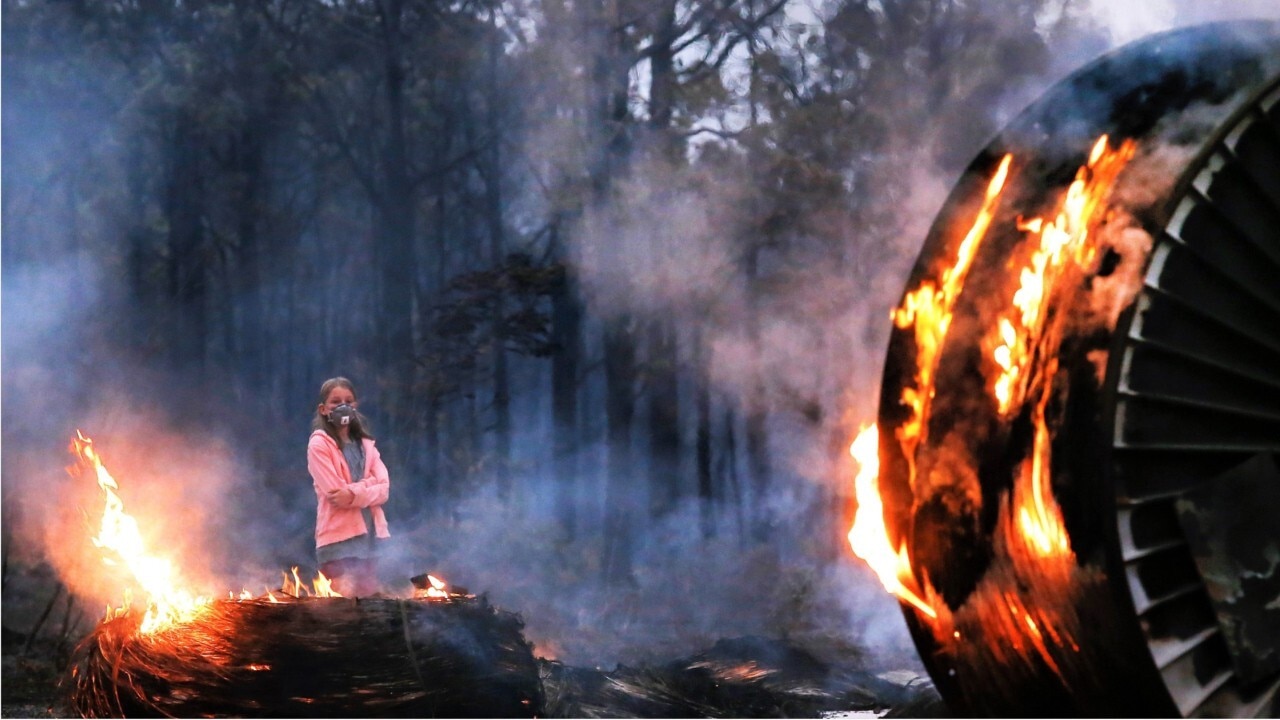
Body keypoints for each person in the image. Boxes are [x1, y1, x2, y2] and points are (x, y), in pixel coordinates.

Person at [306, 376, 390, 596]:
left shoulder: (366, 445)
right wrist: (369, 486)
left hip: (368, 540)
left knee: (369, 609)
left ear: (355, 406)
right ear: (323, 409)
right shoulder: (319, 445)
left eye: (348, 400)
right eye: (335, 401)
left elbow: (384, 489)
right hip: (337, 542)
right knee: (340, 613)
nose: (343, 405)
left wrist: (353, 492)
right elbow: (336, 495)